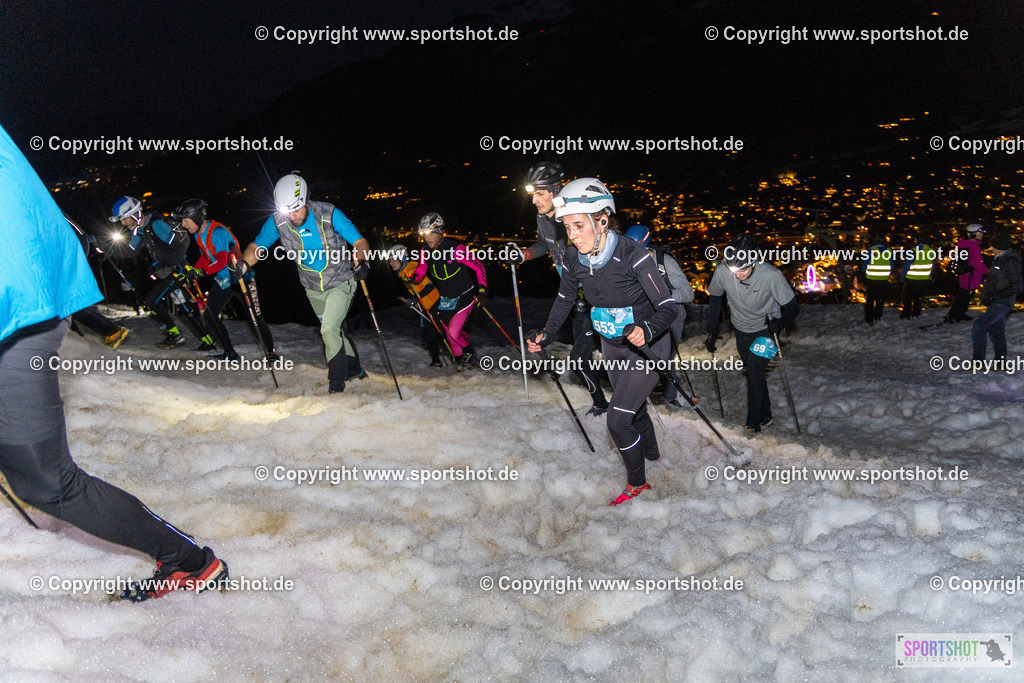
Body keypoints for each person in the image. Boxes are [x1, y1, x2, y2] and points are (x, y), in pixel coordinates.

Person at [0, 123, 226, 602]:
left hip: (17, 309)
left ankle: (189, 561)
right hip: (31, 293)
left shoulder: (160, 223)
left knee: (49, 484)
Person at [526, 178, 676, 505]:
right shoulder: (572, 257)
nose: (573, 234)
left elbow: (668, 307)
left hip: (648, 346)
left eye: (579, 225)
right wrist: (546, 334)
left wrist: (647, 330)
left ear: (602, 220)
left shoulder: (633, 255)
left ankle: (638, 485)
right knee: (633, 411)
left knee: (618, 419)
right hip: (611, 344)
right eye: (567, 227)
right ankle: (653, 458)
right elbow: (564, 300)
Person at [240, 173, 369, 393]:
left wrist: (362, 260)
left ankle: (337, 384)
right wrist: (244, 264)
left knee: (328, 329)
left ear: (306, 201)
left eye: (296, 209)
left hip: (340, 281)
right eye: (287, 210)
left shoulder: (329, 214)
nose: (292, 215)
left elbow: (360, 242)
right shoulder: (278, 221)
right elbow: (256, 247)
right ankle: (356, 370)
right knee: (335, 330)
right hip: (312, 288)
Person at [505, 162, 608, 415]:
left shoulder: (572, 217)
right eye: (532, 194)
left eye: (540, 194)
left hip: (594, 290)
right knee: (584, 353)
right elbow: (544, 243)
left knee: (607, 347)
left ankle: (651, 383)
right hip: (572, 292)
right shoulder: (542, 217)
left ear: (555, 191)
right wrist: (525, 255)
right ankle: (602, 403)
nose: (534, 201)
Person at [705, 233, 798, 435]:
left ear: (754, 261)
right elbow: (714, 299)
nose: (738, 275)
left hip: (765, 329)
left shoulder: (770, 275)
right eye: (734, 270)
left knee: (755, 370)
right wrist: (712, 331)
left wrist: (780, 323)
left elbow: (792, 307)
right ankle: (766, 415)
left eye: (743, 270)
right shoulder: (723, 271)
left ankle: (753, 422)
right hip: (741, 329)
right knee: (754, 374)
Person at [174, 199, 276, 363]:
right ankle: (230, 353)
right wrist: (192, 271)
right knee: (210, 315)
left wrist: (201, 272)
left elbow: (222, 261)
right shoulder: (198, 234)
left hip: (241, 279)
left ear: (197, 218)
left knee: (255, 317)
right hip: (225, 280)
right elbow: (205, 256)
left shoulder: (217, 232)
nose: (184, 225)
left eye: (185, 221)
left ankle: (272, 353)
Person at [110, 196, 210, 349]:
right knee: (184, 307)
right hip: (167, 272)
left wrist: (172, 265)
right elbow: (130, 251)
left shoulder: (156, 224)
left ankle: (177, 335)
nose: (123, 223)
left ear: (134, 214)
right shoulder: (140, 230)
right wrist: (108, 249)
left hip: (177, 271)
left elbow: (180, 245)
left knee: (153, 300)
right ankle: (208, 340)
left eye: (124, 219)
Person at [624, 224, 694, 407]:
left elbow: (688, 292)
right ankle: (649, 387)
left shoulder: (665, 262)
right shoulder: (630, 262)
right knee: (645, 353)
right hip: (648, 314)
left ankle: (672, 392)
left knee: (665, 356)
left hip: (672, 314)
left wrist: (664, 297)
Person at [411, 213, 487, 369]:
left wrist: (482, 291)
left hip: (464, 295)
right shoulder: (425, 251)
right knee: (450, 336)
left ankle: (469, 351)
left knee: (453, 332)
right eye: (425, 235)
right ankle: (461, 363)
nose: (428, 238)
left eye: (431, 233)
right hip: (446, 298)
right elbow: (421, 269)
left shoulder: (456, 249)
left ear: (440, 232)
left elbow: (479, 267)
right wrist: (414, 278)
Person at [66, 216, 130, 349]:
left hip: (70, 252)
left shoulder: (48, 208)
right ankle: (77, 338)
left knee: (65, 303)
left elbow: (79, 234)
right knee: (65, 303)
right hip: (66, 253)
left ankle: (78, 339)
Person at [389, 244, 443, 366]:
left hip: (434, 303)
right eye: (389, 260)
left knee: (435, 332)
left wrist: (413, 299)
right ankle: (436, 360)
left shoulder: (411, 269)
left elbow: (429, 286)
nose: (391, 263)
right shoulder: (403, 273)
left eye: (393, 259)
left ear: (401, 258)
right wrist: (413, 300)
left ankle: (451, 356)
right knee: (426, 333)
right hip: (425, 305)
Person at [972, 232, 1022, 362]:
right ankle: (1000, 361)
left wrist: (996, 296)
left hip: (1002, 302)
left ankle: (978, 361)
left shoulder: (1010, 262)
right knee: (996, 330)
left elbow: (1017, 285)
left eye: (993, 246)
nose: (991, 249)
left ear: (1000, 247)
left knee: (979, 325)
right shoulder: (1000, 259)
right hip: (996, 302)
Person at [946, 223, 988, 323]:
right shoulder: (974, 247)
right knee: (965, 296)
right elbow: (978, 265)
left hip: (964, 275)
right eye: (980, 232)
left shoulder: (963, 244)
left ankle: (956, 314)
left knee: (962, 295)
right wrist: (989, 271)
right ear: (974, 234)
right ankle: (957, 315)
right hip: (971, 276)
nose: (982, 234)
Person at [860, 230, 892, 325]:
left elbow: (864, 265)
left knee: (870, 299)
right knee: (880, 298)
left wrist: (864, 273)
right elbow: (891, 264)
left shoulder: (871, 251)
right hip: (883, 279)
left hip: (872, 279)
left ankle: (869, 318)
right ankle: (878, 316)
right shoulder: (889, 251)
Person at [899, 234, 934, 319]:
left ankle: (906, 314)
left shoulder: (913, 251)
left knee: (908, 298)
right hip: (923, 279)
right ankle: (916, 313)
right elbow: (931, 265)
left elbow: (906, 266)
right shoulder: (930, 251)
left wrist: (902, 277)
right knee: (918, 298)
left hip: (911, 279)